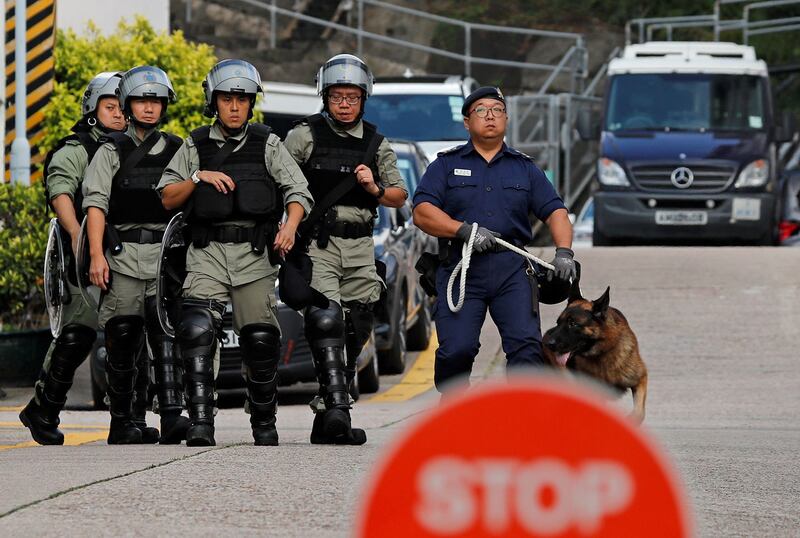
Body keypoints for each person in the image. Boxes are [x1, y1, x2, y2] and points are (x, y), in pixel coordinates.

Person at [158, 59, 313, 447]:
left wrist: (290, 226)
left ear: (250, 104)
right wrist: (197, 177)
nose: (235, 106)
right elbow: (166, 196)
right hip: (206, 252)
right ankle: (200, 422)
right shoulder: (194, 144)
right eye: (227, 98)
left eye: (242, 99)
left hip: (254, 254)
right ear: (214, 101)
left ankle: (263, 420)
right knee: (196, 330)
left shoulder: (268, 143)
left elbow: (299, 192)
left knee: (261, 337)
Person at [412, 86, 577, 393]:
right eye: (481, 110)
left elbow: (556, 212)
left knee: (527, 350)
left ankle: (521, 423)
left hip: (512, 271)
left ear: (507, 119)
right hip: (461, 269)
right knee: (456, 351)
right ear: (466, 122)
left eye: (497, 110)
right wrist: (464, 231)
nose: (490, 116)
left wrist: (564, 253)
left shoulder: (524, 168)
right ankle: (454, 414)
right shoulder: (445, 166)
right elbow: (421, 212)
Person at [284, 54, 407, 445]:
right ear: (325, 97)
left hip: (360, 244)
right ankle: (340, 408)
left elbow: (400, 195)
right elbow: (281, 182)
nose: (344, 104)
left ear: (363, 98)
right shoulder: (304, 135)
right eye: (337, 96)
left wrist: (374, 188)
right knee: (326, 319)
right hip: (319, 242)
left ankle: (327, 409)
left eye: (352, 97)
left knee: (358, 324)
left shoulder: (376, 142)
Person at [82, 66, 190, 444]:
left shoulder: (179, 149)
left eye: (155, 101)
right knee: (123, 336)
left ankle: (174, 414)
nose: (149, 108)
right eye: (142, 100)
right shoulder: (110, 150)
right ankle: (124, 420)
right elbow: (95, 205)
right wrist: (96, 256)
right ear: (127, 104)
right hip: (123, 255)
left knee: (167, 333)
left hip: (165, 256)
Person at [19, 72, 126, 445]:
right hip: (82, 254)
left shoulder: (130, 146)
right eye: (109, 107)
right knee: (78, 331)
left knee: (128, 333)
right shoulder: (76, 147)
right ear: (92, 108)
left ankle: (127, 417)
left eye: (121, 107)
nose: (118, 114)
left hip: (125, 253)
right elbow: (60, 191)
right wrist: (79, 235)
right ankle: (43, 407)